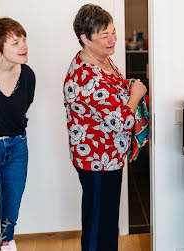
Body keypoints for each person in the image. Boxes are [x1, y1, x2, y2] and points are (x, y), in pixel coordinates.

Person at [63, 4, 148, 251]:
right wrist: (136, 94)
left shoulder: (103, 60)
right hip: (96, 159)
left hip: (109, 156)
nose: (113, 39)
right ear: (85, 39)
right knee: (98, 224)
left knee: (107, 222)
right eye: (104, 35)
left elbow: (114, 93)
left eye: (113, 31)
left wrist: (128, 87)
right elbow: (123, 120)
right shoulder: (84, 76)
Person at [0, 18, 35, 244]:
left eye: (23, 40)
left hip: (17, 147)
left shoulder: (27, 75)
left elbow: (23, 109)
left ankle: (5, 245)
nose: (23, 46)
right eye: (15, 43)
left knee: (10, 213)